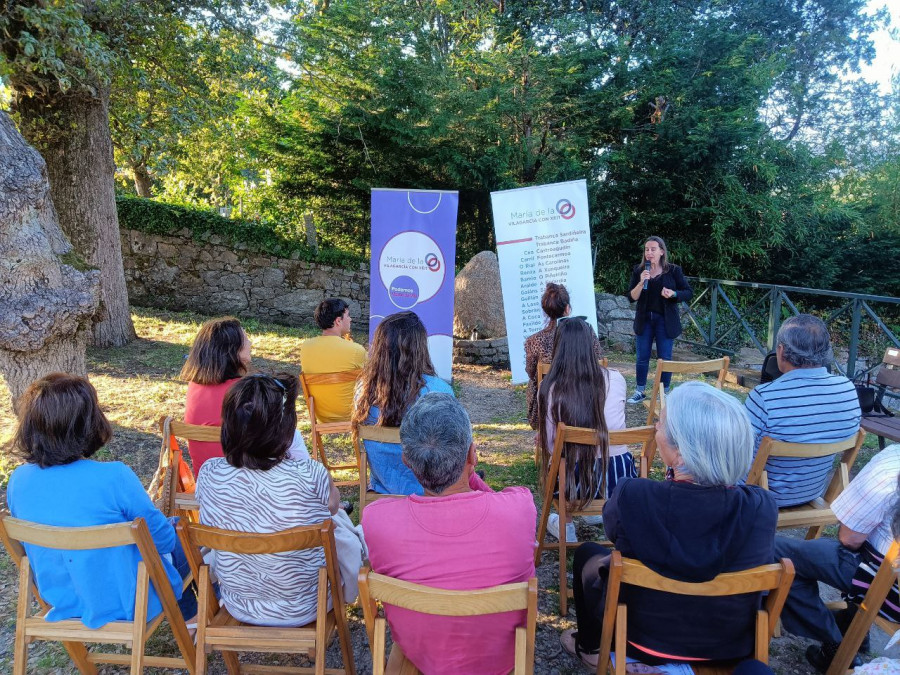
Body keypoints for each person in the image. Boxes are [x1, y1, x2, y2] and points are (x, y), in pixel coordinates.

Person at [563, 382, 777, 668]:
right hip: (728, 646)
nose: (655, 429)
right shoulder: (762, 507)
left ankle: (590, 647)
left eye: (661, 424)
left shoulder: (634, 496)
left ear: (682, 453)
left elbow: (614, 531)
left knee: (588, 554)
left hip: (641, 641)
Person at [363, 393, 537, 675]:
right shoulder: (520, 510)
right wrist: (469, 475)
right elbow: (493, 501)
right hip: (501, 660)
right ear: (472, 454)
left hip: (421, 656)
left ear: (407, 461)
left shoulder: (377, 520)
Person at [6, 373, 196, 628]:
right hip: (131, 601)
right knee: (183, 535)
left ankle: (196, 616)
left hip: (65, 600)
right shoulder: (114, 477)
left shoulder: (18, 481)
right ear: (89, 423)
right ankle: (195, 619)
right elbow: (163, 541)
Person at [196, 373, 361, 627]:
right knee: (336, 522)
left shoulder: (209, 473)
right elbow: (334, 505)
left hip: (239, 602)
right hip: (306, 605)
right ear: (286, 429)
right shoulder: (311, 474)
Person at [773, 443, 900, 672]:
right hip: (891, 586)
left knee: (778, 550)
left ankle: (835, 643)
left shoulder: (892, 466)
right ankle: (851, 626)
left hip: (888, 589)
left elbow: (849, 538)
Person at [744, 314, 860, 507]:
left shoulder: (764, 397)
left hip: (761, 496)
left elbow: (741, 455)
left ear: (781, 351)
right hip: (810, 492)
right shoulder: (847, 389)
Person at [538, 317, 630, 543]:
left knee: (561, 458)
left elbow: (552, 446)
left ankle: (566, 526)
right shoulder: (616, 379)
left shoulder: (549, 387)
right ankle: (605, 513)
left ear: (559, 348)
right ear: (591, 345)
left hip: (573, 482)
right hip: (617, 478)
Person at [351, 311, 453, 495]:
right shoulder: (438, 390)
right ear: (420, 348)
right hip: (429, 489)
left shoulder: (364, 390)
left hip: (384, 485)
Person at [625, 236, 693, 404]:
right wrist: (641, 283)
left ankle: (665, 393)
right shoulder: (638, 270)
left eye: (653, 249)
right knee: (642, 356)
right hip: (644, 320)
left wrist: (674, 294)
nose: (649, 253)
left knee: (665, 357)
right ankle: (640, 391)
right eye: (647, 249)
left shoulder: (673, 270)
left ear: (662, 252)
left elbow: (688, 292)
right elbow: (631, 297)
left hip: (665, 320)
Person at [181, 316, 251, 476]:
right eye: (245, 338)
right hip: (243, 487)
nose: (250, 343)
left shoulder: (194, 387)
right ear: (232, 349)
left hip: (207, 485)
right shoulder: (241, 391)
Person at [525, 282, 602, 429]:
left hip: (548, 408)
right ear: (567, 308)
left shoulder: (533, 341)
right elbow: (599, 362)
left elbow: (531, 372)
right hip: (586, 403)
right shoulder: (587, 332)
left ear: (545, 311)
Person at [299, 298, 367, 422]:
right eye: (348, 315)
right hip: (351, 413)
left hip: (320, 415)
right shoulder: (356, 350)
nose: (350, 319)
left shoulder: (305, 348)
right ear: (338, 321)